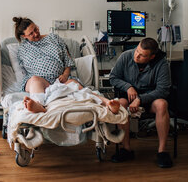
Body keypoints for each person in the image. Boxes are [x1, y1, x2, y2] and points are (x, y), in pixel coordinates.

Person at [13, 17, 120, 114]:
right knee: (35, 80)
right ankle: (38, 105)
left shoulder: (54, 38)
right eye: (31, 34)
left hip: (60, 80)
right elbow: (26, 70)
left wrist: (65, 74)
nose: (35, 34)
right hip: (40, 81)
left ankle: (106, 103)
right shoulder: (23, 49)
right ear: (24, 36)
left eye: (35, 29)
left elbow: (68, 60)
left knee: (76, 85)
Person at [109, 37, 173, 168]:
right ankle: (126, 149)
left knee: (162, 104)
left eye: (142, 55)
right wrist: (128, 87)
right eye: (137, 51)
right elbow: (113, 77)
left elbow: (163, 90)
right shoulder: (126, 56)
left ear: (152, 57)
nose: (136, 56)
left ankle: (162, 151)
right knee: (120, 104)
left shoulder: (162, 64)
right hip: (128, 98)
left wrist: (140, 99)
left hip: (150, 99)